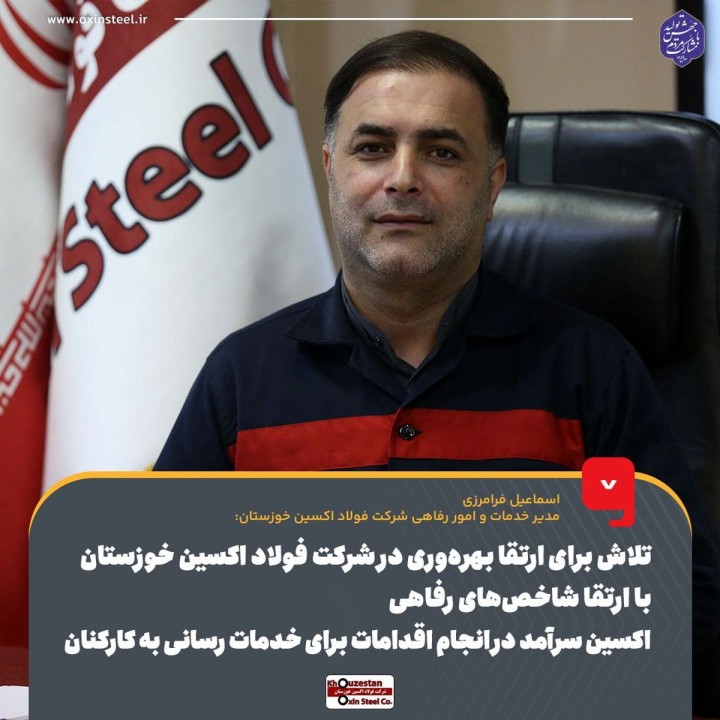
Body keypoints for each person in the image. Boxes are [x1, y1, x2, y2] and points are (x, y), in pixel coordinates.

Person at [155, 29, 720, 666]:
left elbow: (680, 606)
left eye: (442, 153)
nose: (402, 179)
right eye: (372, 148)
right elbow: (157, 595)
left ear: (493, 183)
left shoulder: (591, 371)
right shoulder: (241, 377)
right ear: (332, 169)